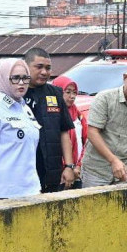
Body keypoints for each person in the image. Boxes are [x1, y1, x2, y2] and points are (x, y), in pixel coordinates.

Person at [0, 58, 41, 200]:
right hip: (4, 194)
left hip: (31, 189)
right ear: (4, 79)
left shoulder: (25, 108)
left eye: (25, 78)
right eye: (15, 78)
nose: (22, 83)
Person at [23, 47, 76, 193]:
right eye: (39, 67)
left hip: (52, 170)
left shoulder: (55, 93)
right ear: (26, 67)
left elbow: (64, 132)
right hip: (23, 171)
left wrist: (69, 166)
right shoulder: (16, 93)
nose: (44, 72)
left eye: (48, 68)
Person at [52, 76, 87, 188]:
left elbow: (86, 141)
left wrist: (78, 166)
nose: (72, 96)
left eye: (74, 92)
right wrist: (67, 168)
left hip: (76, 172)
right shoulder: (52, 115)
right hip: (59, 174)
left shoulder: (78, 115)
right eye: (67, 92)